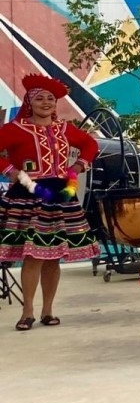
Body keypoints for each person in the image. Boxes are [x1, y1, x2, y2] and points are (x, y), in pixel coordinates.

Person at [0, 74, 99, 331]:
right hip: (28, 195)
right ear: (29, 102)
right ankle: (27, 311)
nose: (46, 102)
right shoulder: (15, 129)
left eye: (50, 99)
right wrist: (11, 171)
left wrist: (77, 167)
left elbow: (89, 144)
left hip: (58, 194)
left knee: (53, 256)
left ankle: (48, 310)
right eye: (39, 98)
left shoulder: (65, 129)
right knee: (32, 254)